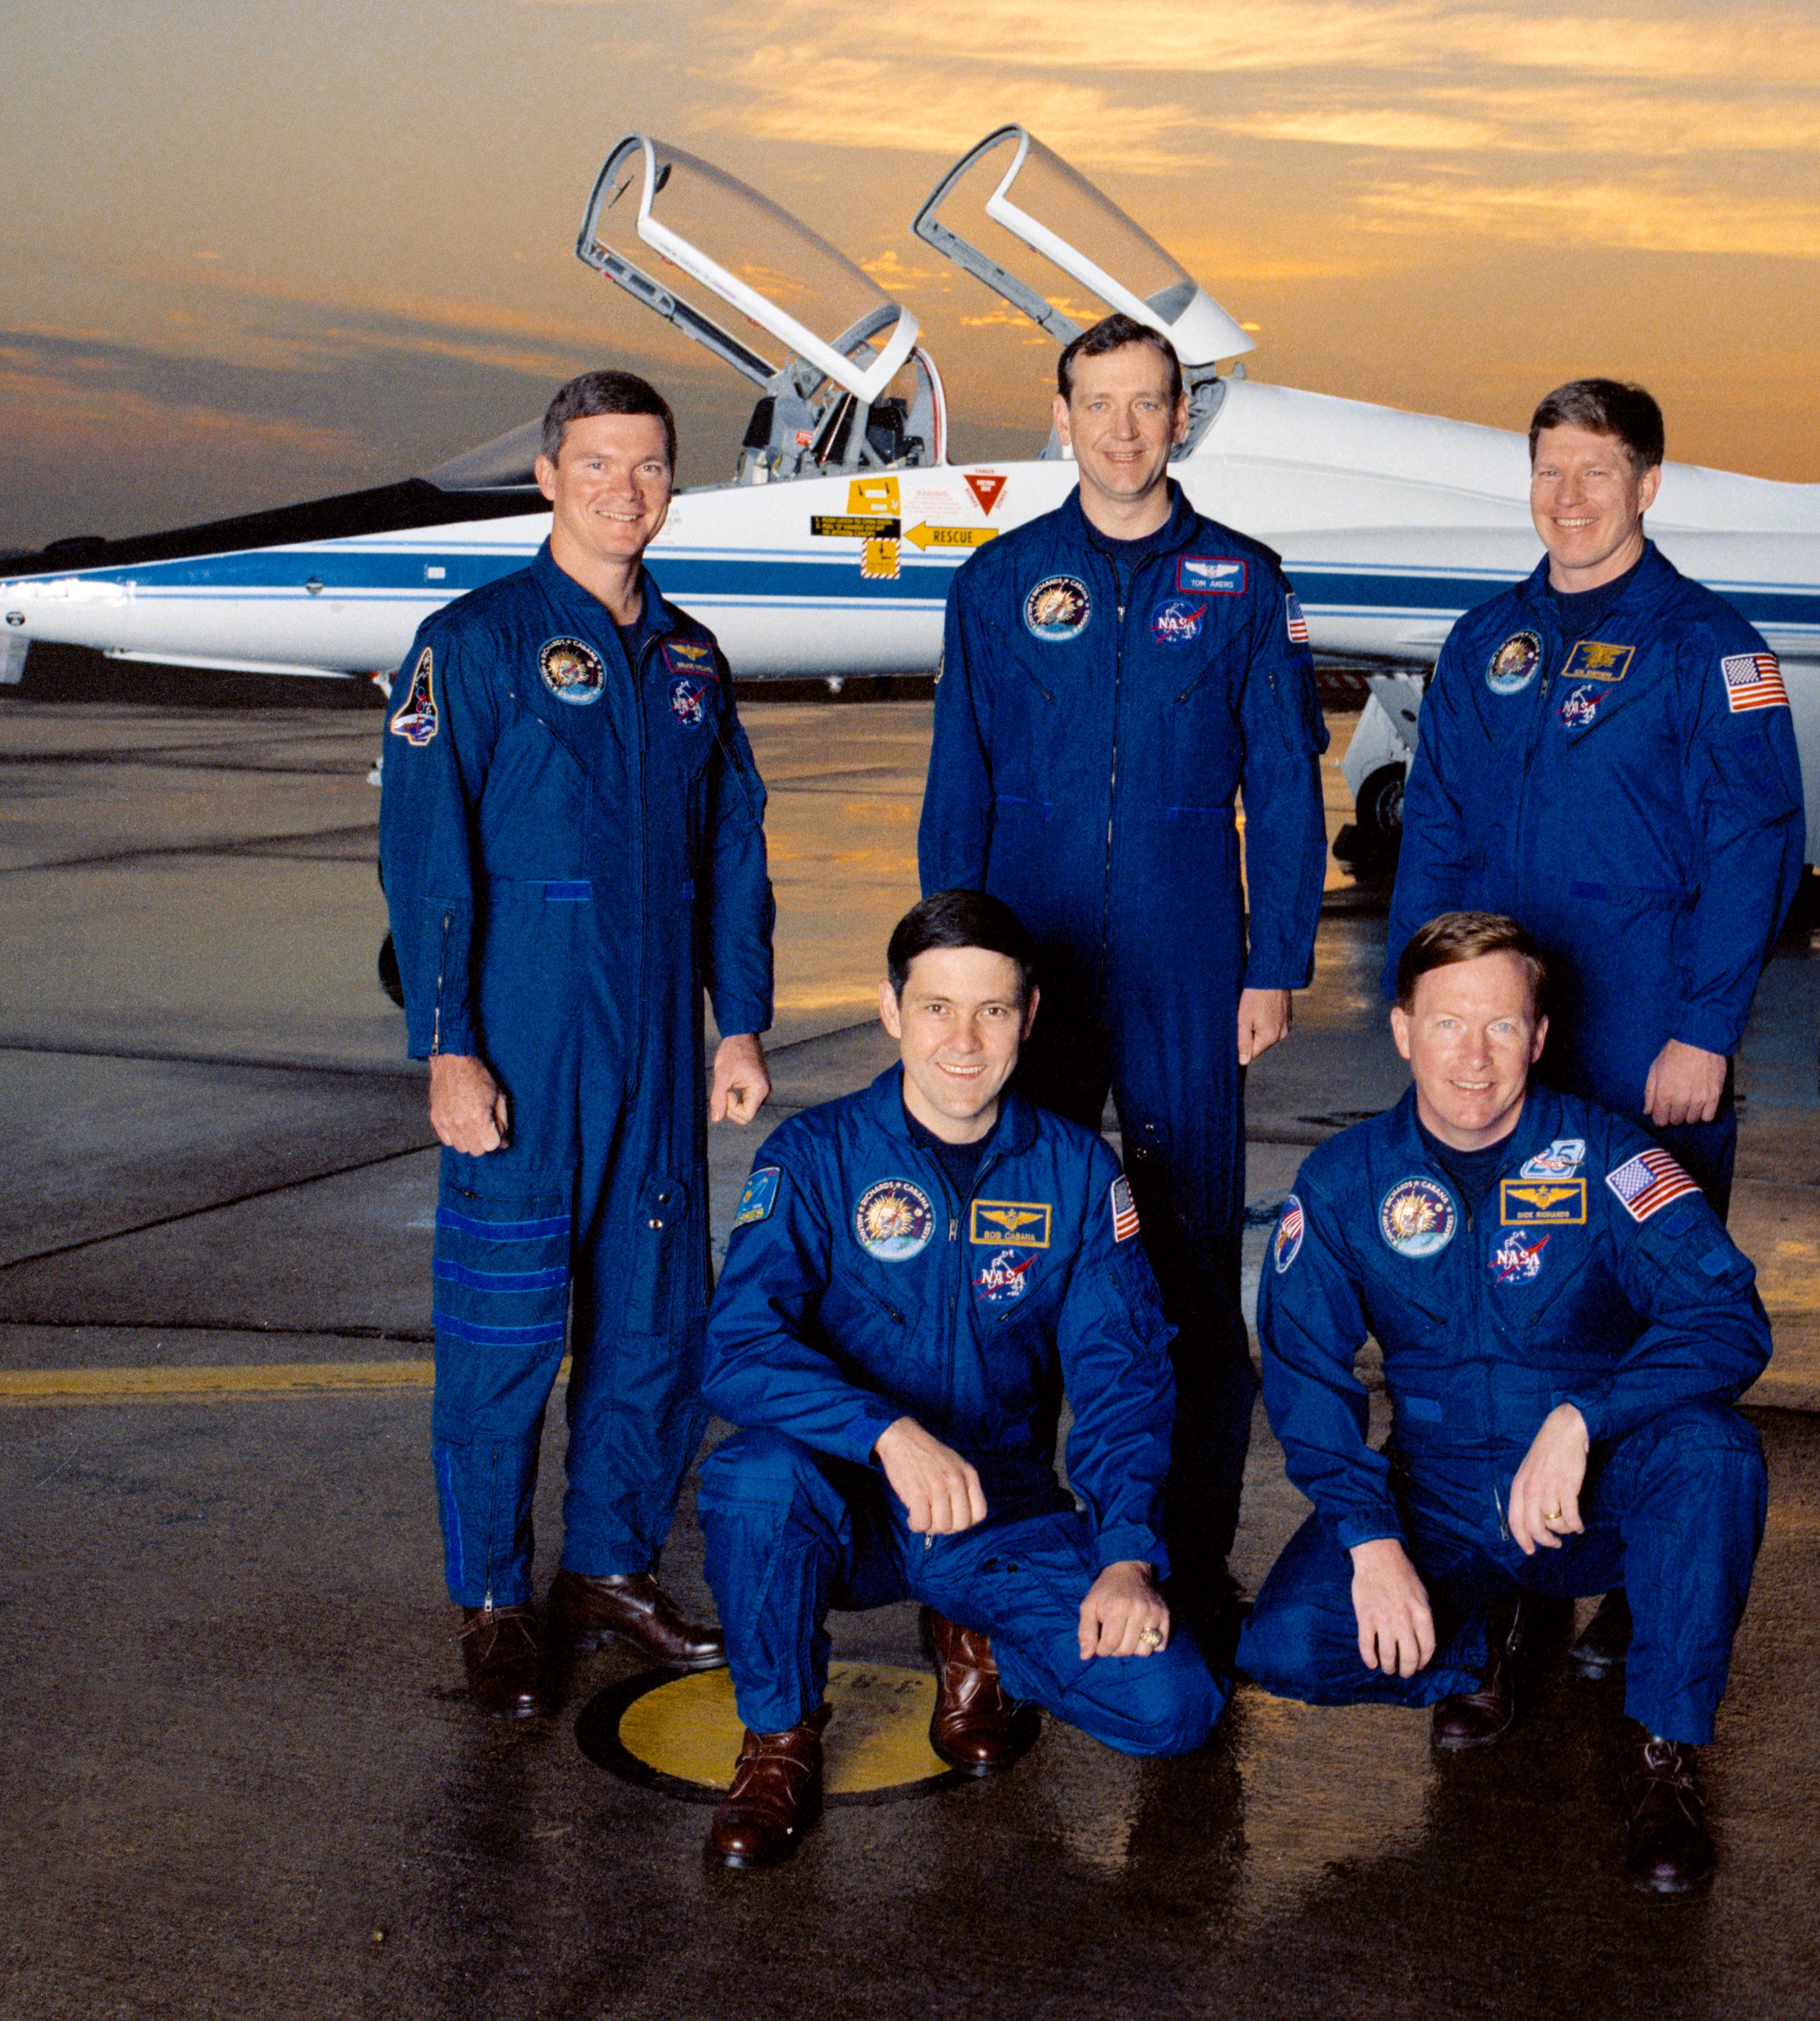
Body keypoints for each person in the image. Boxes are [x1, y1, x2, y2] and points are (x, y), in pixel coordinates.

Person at [918, 313, 1331, 1618]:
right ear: (1060, 416)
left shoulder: (1245, 582)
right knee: (1009, 1266)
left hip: (1184, 964)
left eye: (1147, 402)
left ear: (1179, 417)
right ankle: (1010, 1554)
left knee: (1196, 1275)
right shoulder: (996, 583)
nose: (1122, 428)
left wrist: (1274, 966)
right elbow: (957, 791)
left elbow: (1283, 785)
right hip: (1024, 966)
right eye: (1097, 403)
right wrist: (948, 977)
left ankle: (1187, 1562)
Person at [379, 368, 774, 1718]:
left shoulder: (690, 662)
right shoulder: (474, 643)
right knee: (503, 1330)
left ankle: (608, 1568)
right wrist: (449, 1045)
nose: (627, 490)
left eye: (652, 466)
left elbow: (733, 849)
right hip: (528, 1045)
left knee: (655, 1327)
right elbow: (429, 862)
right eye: (599, 464)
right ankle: (493, 1596)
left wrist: (743, 1024)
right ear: (547, 477)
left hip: (661, 1048)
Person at [1237, 912, 1770, 1895]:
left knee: (1715, 1455)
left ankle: (1664, 1753)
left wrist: (1586, 1419)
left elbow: (1729, 1315)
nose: (1473, 1058)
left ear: (1540, 1035)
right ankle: (1479, 1640)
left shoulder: (1607, 1160)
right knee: (1285, 1643)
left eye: (1500, 1027)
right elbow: (1304, 1375)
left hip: (1587, 1496)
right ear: (1402, 1031)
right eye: (1447, 1024)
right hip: (1436, 1494)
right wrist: (1370, 1540)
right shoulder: (1348, 1182)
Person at [694, 890, 1227, 1868]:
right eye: (937, 1007)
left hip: (993, 1511)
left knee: (1175, 1707)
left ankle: (974, 1632)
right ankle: (777, 1738)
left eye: (992, 1010)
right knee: (754, 1480)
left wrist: (1125, 1557)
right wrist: (885, 1433)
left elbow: (1124, 1380)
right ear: (892, 1011)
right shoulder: (815, 1159)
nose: (964, 1040)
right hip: (843, 1503)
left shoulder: (1074, 1173)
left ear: (1030, 1017)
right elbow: (735, 1349)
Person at [1386, 377, 1804, 1221]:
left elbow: (1752, 850)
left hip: (1643, 1024)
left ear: (1646, 486)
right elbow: (1435, 833)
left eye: (1595, 473)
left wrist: (1705, 1031)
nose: (1567, 498)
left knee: (1651, 1275)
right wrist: (1420, 999)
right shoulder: (1483, 642)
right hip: (1497, 1025)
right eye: (1548, 472)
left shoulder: (1711, 650)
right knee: (1506, 1267)